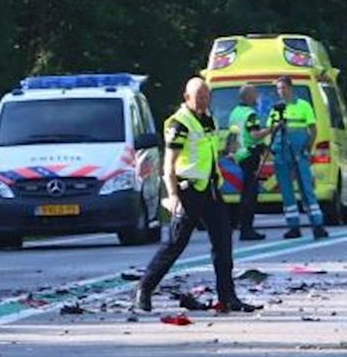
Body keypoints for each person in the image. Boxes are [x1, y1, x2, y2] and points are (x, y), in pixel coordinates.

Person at [133, 77, 260, 313]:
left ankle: (227, 297)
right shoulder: (179, 123)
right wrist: (172, 196)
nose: (203, 101)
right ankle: (144, 289)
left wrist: (228, 149)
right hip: (188, 191)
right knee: (174, 244)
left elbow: (208, 151)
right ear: (187, 98)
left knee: (223, 244)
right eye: (198, 97)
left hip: (210, 189)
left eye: (206, 96)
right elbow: (169, 164)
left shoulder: (208, 119)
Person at [268, 76, 328, 239]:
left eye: (283, 88)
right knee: (287, 191)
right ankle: (293, 226)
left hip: (299, 151)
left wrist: (307, 147)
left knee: (306, 188)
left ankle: (317, 224)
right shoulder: (276, 109)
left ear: (290, 88)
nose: (281, 91)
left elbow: (313, 129)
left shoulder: (303, 106)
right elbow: (271, 130)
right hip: (282, 152)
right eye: (278, 89)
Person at [228, 84, 272, 241]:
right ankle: (247, 229)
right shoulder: (250, 114)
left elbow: (233, 136)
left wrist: (232, 152)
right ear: (248, 96)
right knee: (250, 194)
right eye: (255, 94)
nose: (257, 97)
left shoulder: (235, 113)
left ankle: (244, 227)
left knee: (245, 193)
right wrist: (271, 129)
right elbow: (254, 135)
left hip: (240, 156)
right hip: (250, 155)